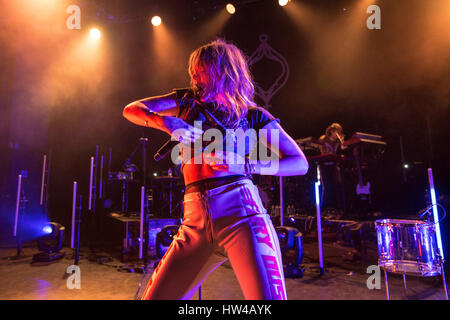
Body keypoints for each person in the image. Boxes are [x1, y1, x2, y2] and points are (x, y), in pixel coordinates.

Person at [123, 39, 308, 300]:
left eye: (200, 69)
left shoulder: (252, 114)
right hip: (194, 223)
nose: (194, 76)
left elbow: (299, 163)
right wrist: (165, 123)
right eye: (193, 70)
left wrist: (244, 164)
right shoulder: (186, 102)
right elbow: (132, 109)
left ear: (222, 71)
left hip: (242, 217)